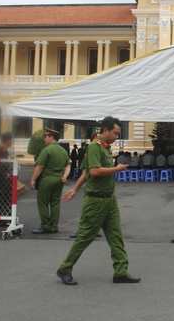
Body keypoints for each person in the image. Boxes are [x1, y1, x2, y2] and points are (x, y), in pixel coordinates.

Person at [57, 116, 139, 285]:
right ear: (105, 130)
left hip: (109, 199)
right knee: (86, 236)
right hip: (96, 201)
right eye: (115, 133)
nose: (117, 136)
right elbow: (93, 171)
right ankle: (65, 268)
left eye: (118, 133)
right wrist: (115, 169)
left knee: (115, 236)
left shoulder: (105, 148)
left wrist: (75, 189)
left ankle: (120, 271)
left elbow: (86, 172)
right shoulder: (95, 147)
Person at [30, 128, 70, 234]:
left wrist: (33, 179)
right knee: (55, 203)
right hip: (59, 180)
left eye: (46, 137)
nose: (44, 140)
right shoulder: (63, 151)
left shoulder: (47, 150)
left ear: (51, 138)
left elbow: (40, 166)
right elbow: (67, 166)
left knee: (42, 202)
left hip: (47, 179)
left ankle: (45, 225)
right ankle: (54, 226)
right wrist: (64, 176)